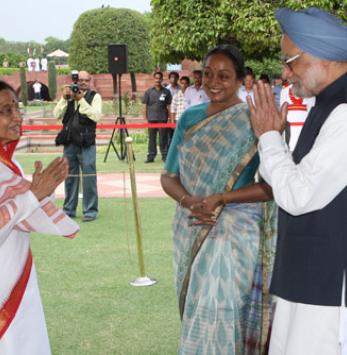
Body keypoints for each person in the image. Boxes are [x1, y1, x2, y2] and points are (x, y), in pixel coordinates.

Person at [161, 44, 276, 354]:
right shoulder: (189, 118)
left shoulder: (255, 119)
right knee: (198, 308)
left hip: (233, 233)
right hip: (191, 223)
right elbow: (168, 177)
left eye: (224, 76)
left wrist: (222, 198)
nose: (213, 82)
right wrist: (190, 202)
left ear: (242, 79)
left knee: (223, 310)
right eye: (208, 74)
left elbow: (271, 187)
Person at [247, 7, 347, 355]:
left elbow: (298, 195)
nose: (285, 72)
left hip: (327, 289)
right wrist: (273, 140)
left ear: (323, 55)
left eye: (291, 60)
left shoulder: (345, 113)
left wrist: (268, 138)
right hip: (310, 279)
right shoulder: (328, 104)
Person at [0, 81, 79, 354]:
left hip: (17, 278)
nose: (17, 117)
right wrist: (34, 195)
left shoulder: (11, 165)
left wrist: (44, 190)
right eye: (6, 110)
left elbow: (27, 215)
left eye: (16, 108)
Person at [53, 70, 102, 222]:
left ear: (90, 81)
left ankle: (90, 210)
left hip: (86, 143)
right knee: (69, 177)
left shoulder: (95, 97)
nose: (82, 83)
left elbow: (96, 116)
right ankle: (69, 209)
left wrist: (81, 100)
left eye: (85, 80)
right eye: (79, 80)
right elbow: (56, 115)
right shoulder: (68, 97)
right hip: (70, 143)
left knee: (89, 177)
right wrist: (64, 98)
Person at [143, 71, 172, 163]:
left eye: (159, 78)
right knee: (152, 138)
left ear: (162, 79)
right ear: (153, 79)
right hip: (151, 118)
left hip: (162, 118)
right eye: (156, 78)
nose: (158, 80)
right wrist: (145, 117)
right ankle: (151, 156)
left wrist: (170, 118)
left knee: (163, 137)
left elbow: (169, 106)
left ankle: (164, 156)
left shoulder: (166, 92)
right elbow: (145, 106)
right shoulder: (148, 92)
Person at [280, 82, 315, 151]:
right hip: (289, 127)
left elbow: (311, 111)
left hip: (304, 127)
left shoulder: (309, 91)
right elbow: (282, 112)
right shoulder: (285, 90)